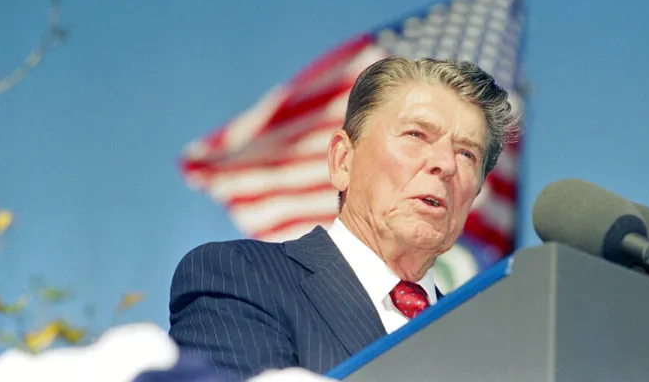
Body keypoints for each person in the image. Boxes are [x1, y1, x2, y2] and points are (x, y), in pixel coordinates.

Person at [168, 56, 518, 381]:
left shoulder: (491, 353)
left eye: (467, 153)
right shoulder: (240, 278)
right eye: (416, 134)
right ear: (342, 161)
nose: (445, 163)